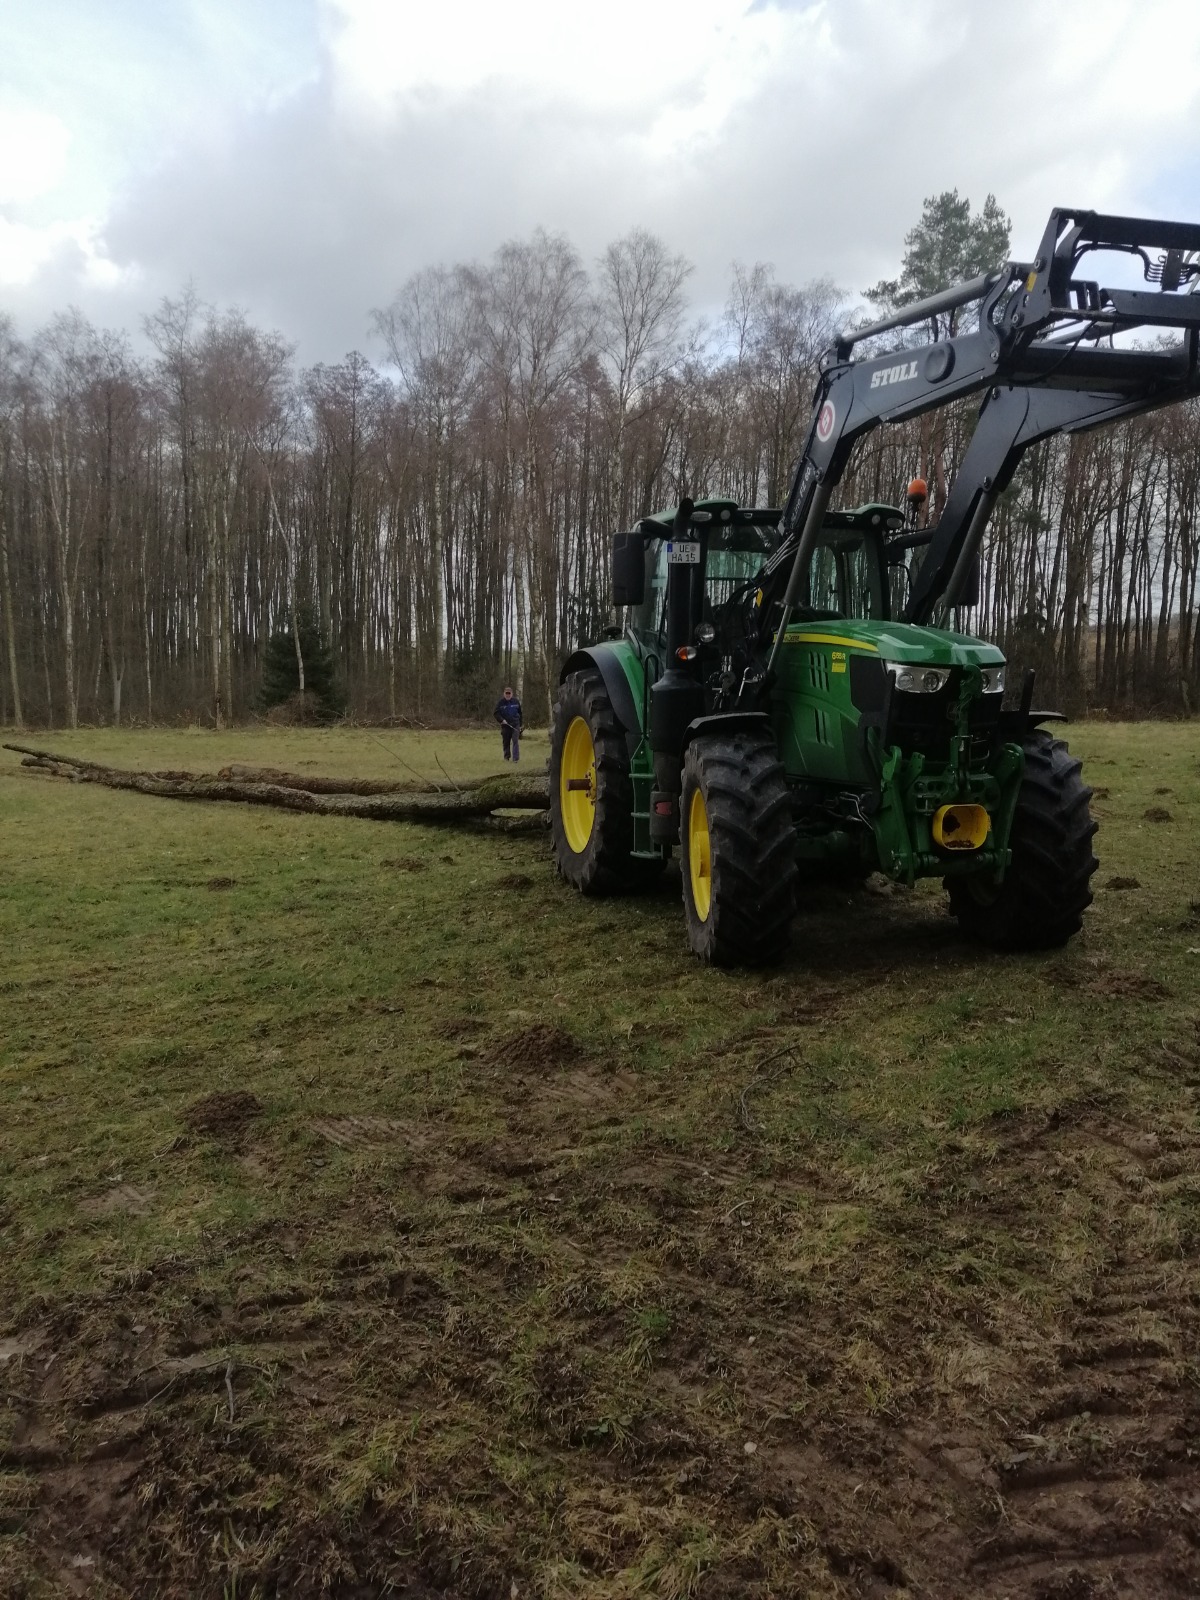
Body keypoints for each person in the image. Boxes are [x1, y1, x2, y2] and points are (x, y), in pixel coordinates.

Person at [493, 685, 523, 762]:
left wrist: (521, 725)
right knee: (506, 741)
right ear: (504, 693)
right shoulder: (500, 703)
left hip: (515, 724)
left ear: (512, 694)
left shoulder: (516, 702)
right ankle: (506, 757)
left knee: (515, 741)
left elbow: (520, 713)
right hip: (505, 725)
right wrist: (501, 720)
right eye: (506, 693)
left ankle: (515, 759)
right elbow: (496, 713)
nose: (508, 695)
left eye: (509, 693)